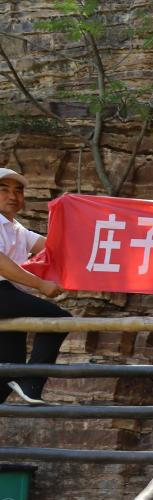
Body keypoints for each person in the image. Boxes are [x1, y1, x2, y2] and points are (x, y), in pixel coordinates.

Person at [0, 167, 69, 405]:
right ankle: (32, 383)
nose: (13, 196)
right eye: (4, 190)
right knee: (59, 319)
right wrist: (41, 284)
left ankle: (26, 382)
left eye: (18, 191)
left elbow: (53, 249)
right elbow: (1, 264)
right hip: (3, 293)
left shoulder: (16, 228)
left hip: (10, 297)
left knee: (9, 368)